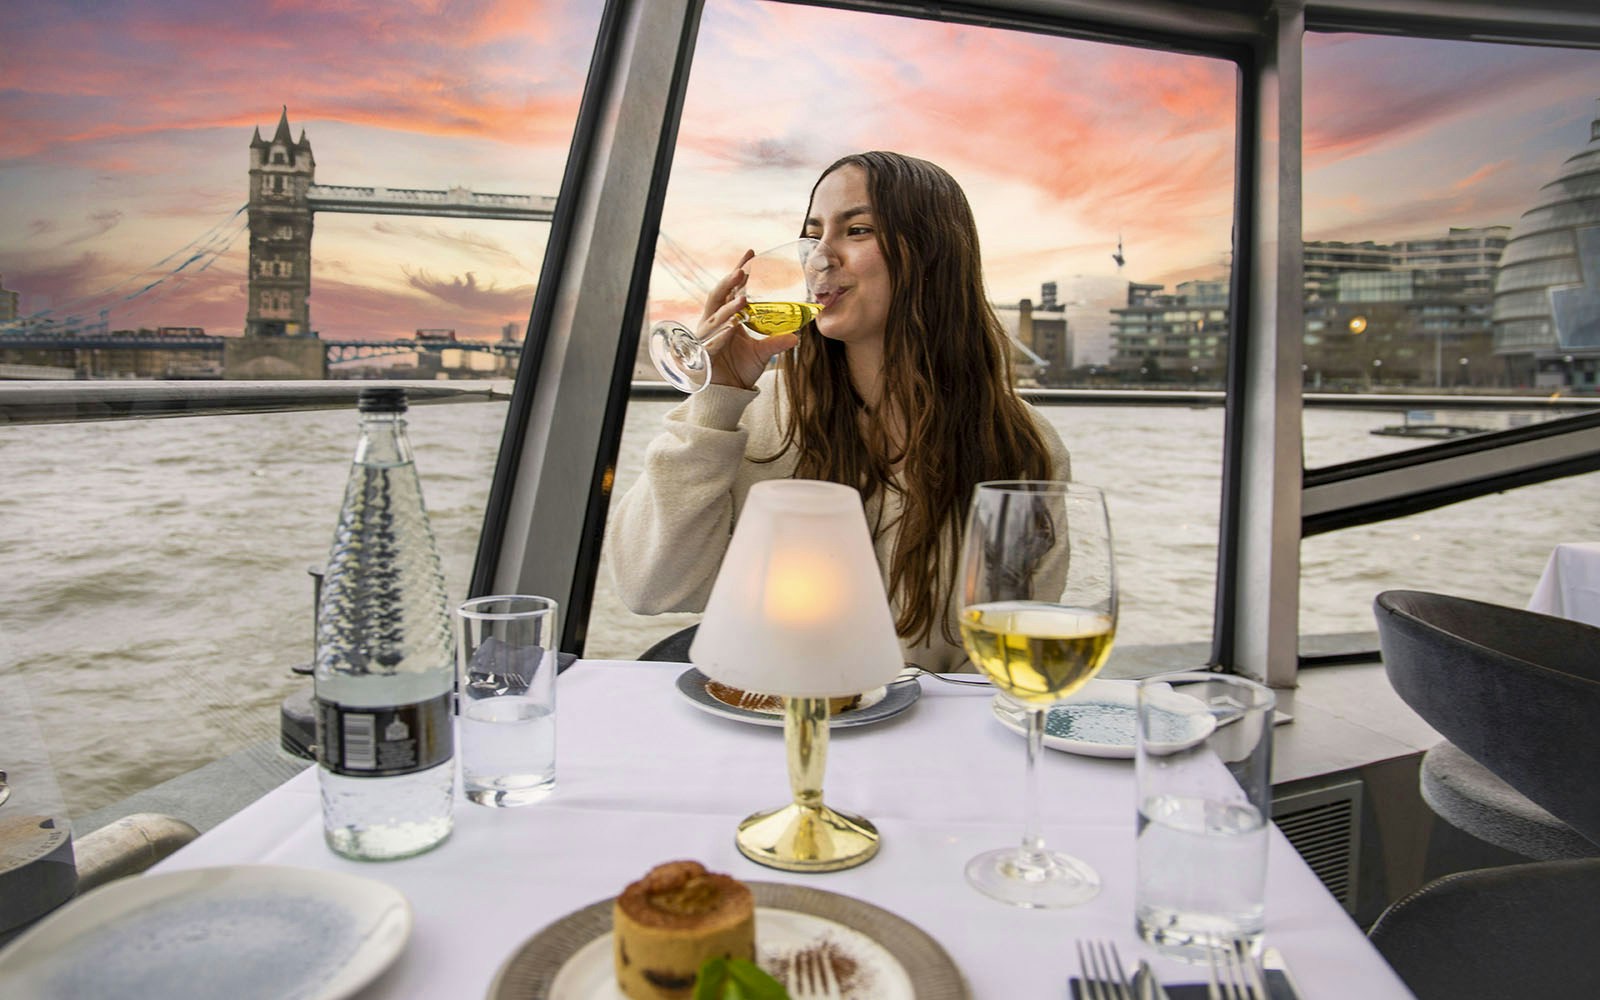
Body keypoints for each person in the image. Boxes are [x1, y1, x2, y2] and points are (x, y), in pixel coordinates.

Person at [605, 151, 1071, 671]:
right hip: (769, 724)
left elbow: (1012, 657)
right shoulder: (760, 416)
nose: (819, 258)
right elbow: (649, 587)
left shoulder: (1021, 444)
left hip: (923, 737)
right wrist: (715, 398)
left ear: (932, 253)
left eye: (857, 230)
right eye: (813, 235)